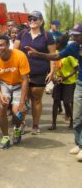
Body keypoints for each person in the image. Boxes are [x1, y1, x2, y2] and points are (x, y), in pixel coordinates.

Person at [26, 23, 82, 161]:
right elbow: (56, 57)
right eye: (73, 34)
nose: (74, 37)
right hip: (80, 84)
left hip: (74, 82)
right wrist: (37, 54)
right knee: (77, 117)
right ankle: (78, 143)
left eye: (77, 35)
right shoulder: (73, 46)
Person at [13, 11, 55, 135]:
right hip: (22, 73)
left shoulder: (47, 36)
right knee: (23, 99)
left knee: (36, 99)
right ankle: (22, 123)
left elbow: (52, 55)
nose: (32, 21)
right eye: (30, 18)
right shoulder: (22, 34)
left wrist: (52, 71)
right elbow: (14, 52)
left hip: (40, 72)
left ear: (41, 21)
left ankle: (35, 125)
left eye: (35, 19)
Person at [0, 34, 30, 149]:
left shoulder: (20, 56)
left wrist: (22, 103)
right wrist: (0, 94)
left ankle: (17, 128)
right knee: (2, 107)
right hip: (4, 84)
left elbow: (25, 80)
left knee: (17, 111)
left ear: (8, 45)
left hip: (19, 84)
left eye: (1, 45)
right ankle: (5, 137)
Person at [48, 35, 77, 130]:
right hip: (58, 81)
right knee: (55, 102)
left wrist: (65, 77)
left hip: (69, 82)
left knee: (67, 102)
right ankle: (54, 124)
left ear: (59, 44)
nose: (54, 45)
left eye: (56, 44)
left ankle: (73, 121)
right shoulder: (56, 53)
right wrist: (54, 76)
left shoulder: (69, 55)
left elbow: (76, 69)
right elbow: (53, 66)